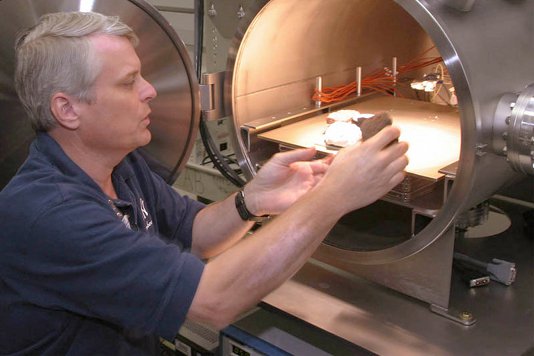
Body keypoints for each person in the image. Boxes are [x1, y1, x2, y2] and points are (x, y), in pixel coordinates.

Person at [0, 11, 408, 355]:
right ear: (67, 109)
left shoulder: (121, 165)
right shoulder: (46, 214)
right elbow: (213, 301)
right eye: (128, 82)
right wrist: (333, 197)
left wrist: (254, 199)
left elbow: (192, 235)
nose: (149, 90)